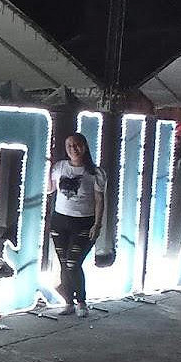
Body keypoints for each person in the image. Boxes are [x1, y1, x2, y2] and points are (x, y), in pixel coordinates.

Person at [46, 133, 105, 318]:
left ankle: (81, 301)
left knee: (73, 263)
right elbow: (49, 189)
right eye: (69, 145)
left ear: (85, 146)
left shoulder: (95, 172)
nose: (73, 149)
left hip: (83, 222)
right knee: (64, 263)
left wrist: (97, 224)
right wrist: (47, 168)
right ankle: (68, 303)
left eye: (77, 145)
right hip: (60, 221)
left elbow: (99, 200)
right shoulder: (60, 167)